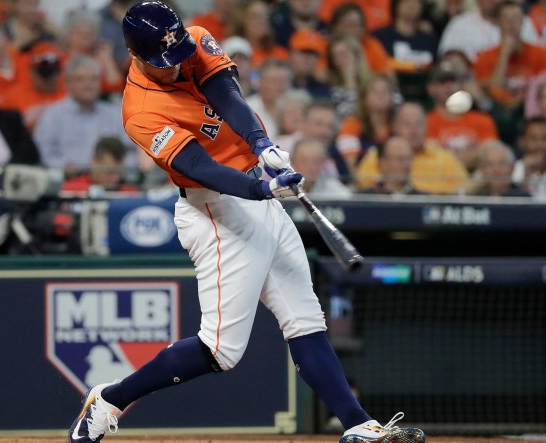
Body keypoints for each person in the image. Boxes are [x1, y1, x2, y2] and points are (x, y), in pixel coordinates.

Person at [66, 4, 426, 443]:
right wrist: (261, 189)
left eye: (178, 53)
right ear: (134, 55)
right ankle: (109, 399)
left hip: (256, 193)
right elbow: (198, 167)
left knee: (305, 319)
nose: (176, 64)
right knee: (220, 350)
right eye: (164, 60)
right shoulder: (140, 110)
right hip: (216, 210)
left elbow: (227, 96)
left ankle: (357, 424)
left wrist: (262, 145)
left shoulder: (194, 38)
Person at [33, 55, 137, 172]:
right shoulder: (51, 116)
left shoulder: (116, 114)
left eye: (93, 79)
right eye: (80, 79)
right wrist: (64, 167)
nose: (88, 84)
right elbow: (43, 155)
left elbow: (134, 153)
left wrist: (116, 165)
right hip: (67, 180)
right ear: (67, 83)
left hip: (111, 178)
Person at [473, 1, 546, 109]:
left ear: (523, 22)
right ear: (498, 22)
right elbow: (493, 88)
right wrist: (504, 54)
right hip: (498, 110)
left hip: (532, 108)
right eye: (506, 18)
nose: (511, 23)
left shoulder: (541, 54)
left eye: (516, 18)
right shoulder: (484, 57)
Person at [425, 61, 499, 171]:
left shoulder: (483, 120)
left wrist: (447, 158)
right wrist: (475, 154)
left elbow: (491, 153)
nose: (449, 86)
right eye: (443, 82)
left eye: (453, 81)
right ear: (431, 88)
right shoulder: (425, 122)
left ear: (462, 86)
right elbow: (431, 159)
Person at [61, 136, 139, 195]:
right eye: (109, 172)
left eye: (118, 172)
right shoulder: (72, 191)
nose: (114, 178)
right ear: (94, 161)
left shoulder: (130, 194)